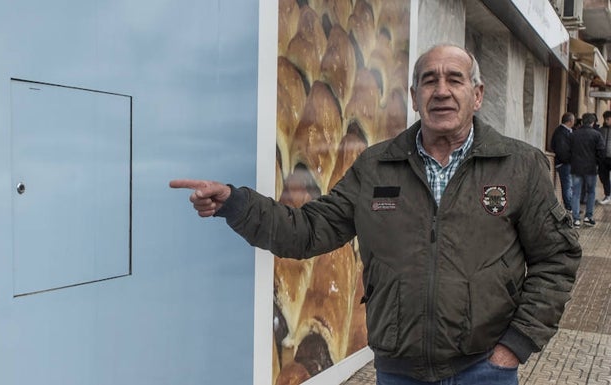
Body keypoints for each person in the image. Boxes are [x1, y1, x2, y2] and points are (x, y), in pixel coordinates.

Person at [170, 45, 581, 384]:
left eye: (454, 79)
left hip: (483, 369)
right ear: (414, 95)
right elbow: (307, 231)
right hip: (399, 371)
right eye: (429, 80)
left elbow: (556, 258)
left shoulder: (519, 165)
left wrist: (515, 345)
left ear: (477, 94)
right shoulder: (376, 166)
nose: (441, 90)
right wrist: (236, 203)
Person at [569, 112, 605, 227]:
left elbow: (568, 150)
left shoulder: (574, 134)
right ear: (593, 122)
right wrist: (598, 164)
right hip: (591, 168)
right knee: (591, 193)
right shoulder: (597, 135)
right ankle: (588, 217)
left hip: (576, 168)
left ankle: (576, 219)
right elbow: (601, 152)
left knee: (576, 193)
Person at [550, 112, 575, 212]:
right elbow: (561, 150)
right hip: (564, 164)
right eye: (573, 120)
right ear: (570, 121)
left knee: (569, 185)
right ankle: (569, 206)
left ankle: (571, 205)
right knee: (567, 186)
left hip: (566, 163)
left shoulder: (566, 131)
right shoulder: (561, 132)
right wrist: (569, 160)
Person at [596, 110, 611, 204]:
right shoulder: (600, 130)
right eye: (605, 119)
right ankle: (607, 195)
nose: (606, 121)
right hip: (603, 158)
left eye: (608, 119)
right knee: (603, 177)